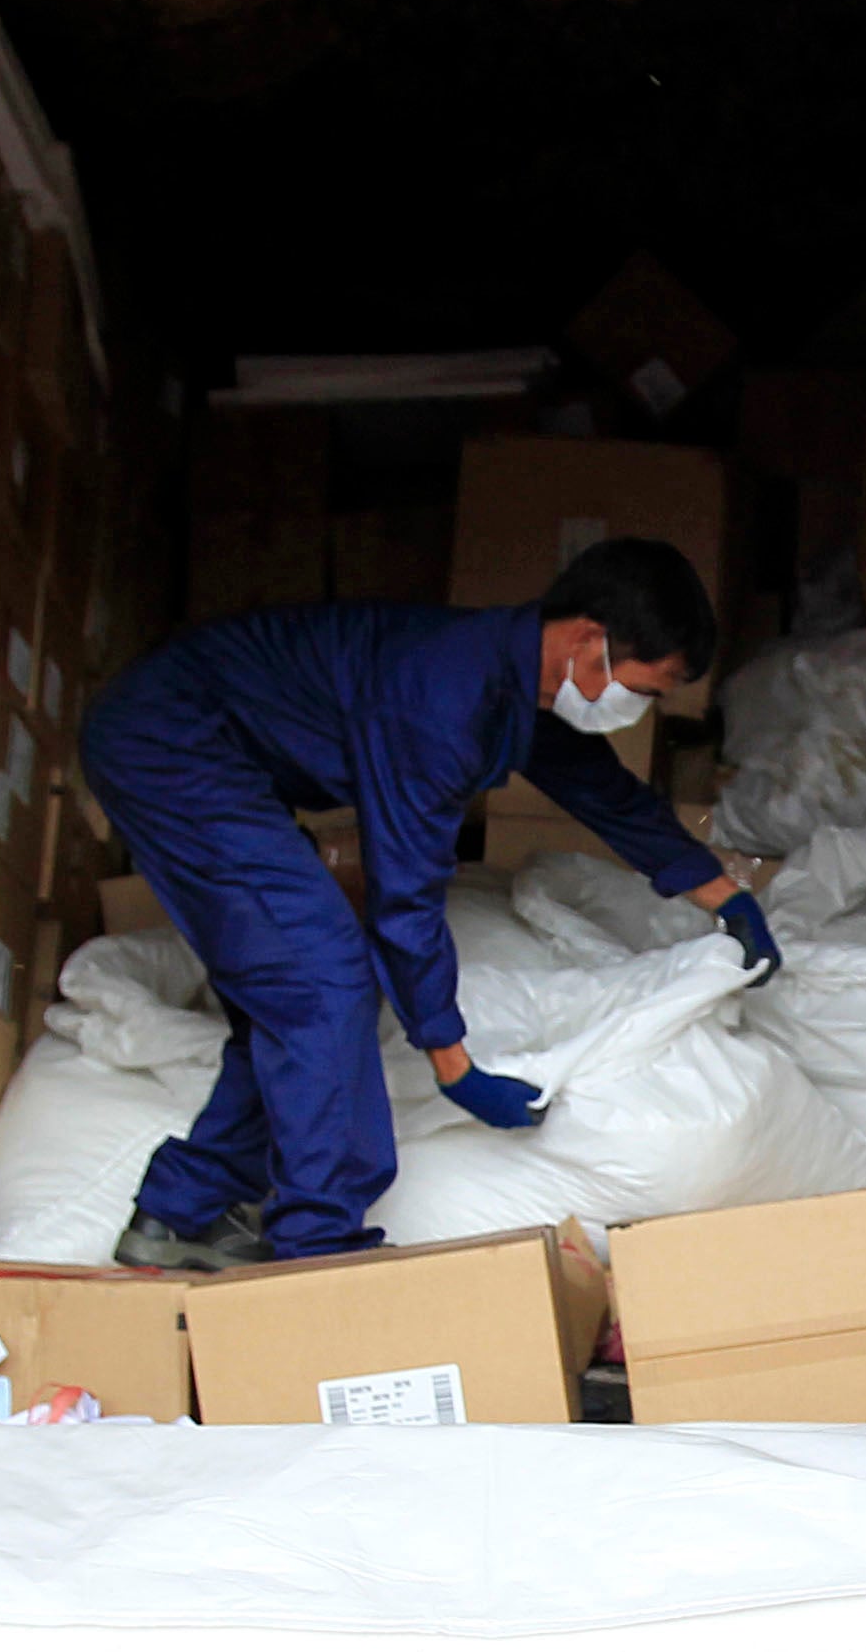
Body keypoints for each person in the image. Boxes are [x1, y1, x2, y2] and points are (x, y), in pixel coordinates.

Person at [78, 537, 780, 1270]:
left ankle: (180, 1215)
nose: (644, 708)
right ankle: (318, 1251)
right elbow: (404, 898)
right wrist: (454, 1064)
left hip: (203, 751)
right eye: (650, 688)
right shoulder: (441, 699)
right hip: (169, 745)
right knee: (321, 979)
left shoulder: (514, 682)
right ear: (587, 642)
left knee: (293, 992)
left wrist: (724, 896)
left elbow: (604, 792)